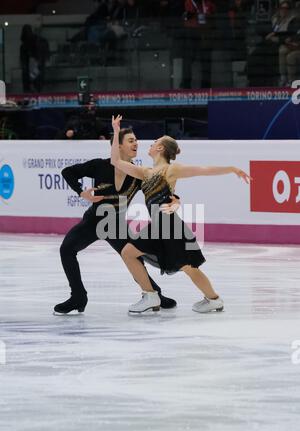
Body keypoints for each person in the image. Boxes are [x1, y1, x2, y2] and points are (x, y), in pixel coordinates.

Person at [111, 115, 251, 315]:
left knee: (189, 267)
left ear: (160, 148)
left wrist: (231, 169)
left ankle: (213, 299)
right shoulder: (145, 172)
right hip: (157, 226)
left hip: (170, 226)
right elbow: (115, 161)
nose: (149, 146)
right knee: (129, 253)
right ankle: (150, 295)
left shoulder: (170, 169)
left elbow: (202, 170)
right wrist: (116, 131)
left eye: (154, 143)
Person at [53, 127, 178, 316]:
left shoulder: (138, 174)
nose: (136, 143)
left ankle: (155, 294)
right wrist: (81, 192)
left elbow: (158, 190)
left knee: (132, 257)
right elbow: (67, 172)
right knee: (67, 249)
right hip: (94, 221)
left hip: (115, 225)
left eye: (136, 140)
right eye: (130, 140)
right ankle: (78, 296)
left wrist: (174, 198)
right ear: (117, 146)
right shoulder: (99, 166)